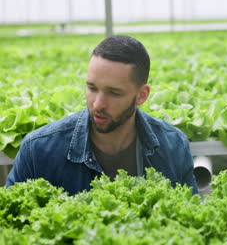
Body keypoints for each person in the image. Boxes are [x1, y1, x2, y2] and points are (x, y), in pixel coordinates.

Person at [6, 35, 198, 195]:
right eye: (92, 88)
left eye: (114, 93)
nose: (98, 104)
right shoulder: (38, 151)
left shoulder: (173, 146)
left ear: (141, 95)